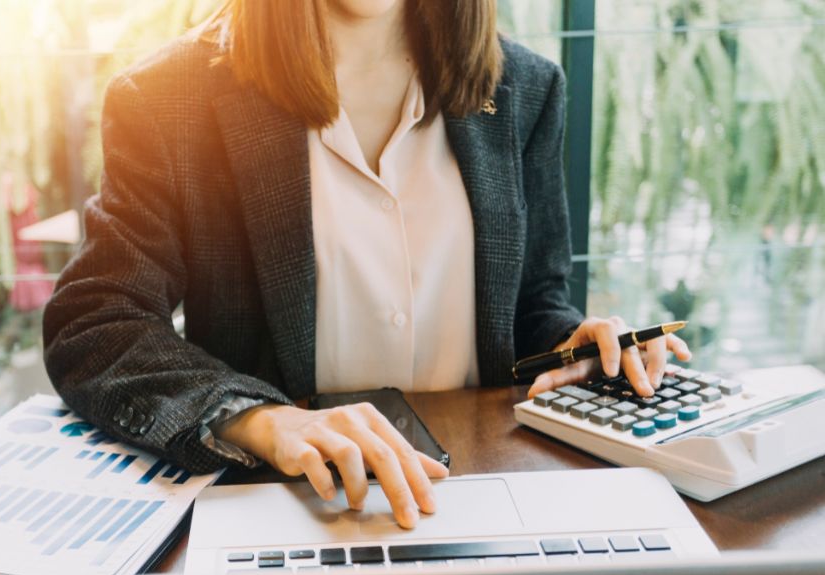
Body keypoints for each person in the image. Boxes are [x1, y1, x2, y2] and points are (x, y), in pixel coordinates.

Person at [43, 0, 691, 529]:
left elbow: (532, 301)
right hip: (293, 504)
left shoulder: (524, 89)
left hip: (487, 497)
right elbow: (96, 322)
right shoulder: (167, 101)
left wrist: (568, 346)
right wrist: (264, 420)